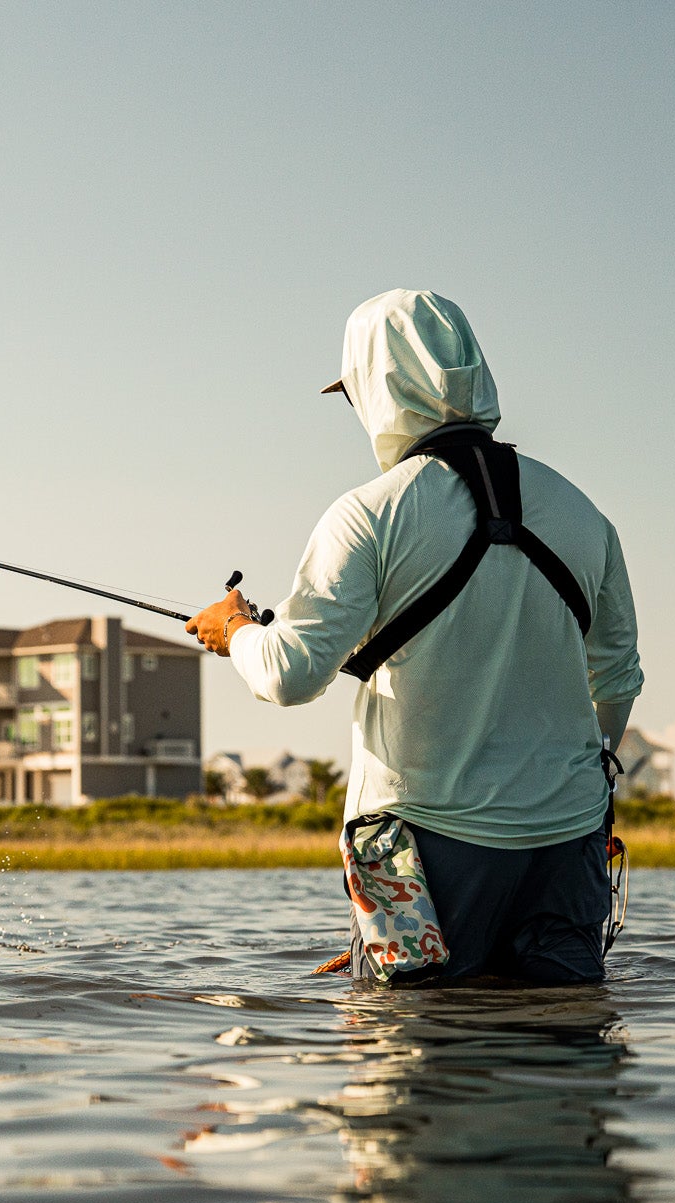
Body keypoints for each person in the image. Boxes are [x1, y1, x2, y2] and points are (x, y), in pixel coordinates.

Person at [186, 289, 642, 986]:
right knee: (565, 1058)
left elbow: (289, 673)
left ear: (378, 387)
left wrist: (236, 627)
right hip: (567, 850)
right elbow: (617, 678)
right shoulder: (585, 515)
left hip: (422, 857)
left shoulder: (367, 515)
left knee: (407, 1060)